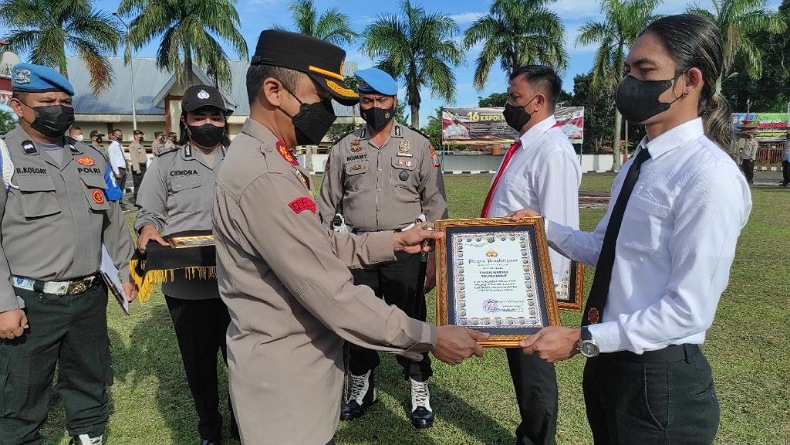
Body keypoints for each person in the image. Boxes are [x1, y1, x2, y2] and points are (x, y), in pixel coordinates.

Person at [212, 29, 487, 445]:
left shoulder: (267, 161)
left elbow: (316, 243)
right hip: (287, 389)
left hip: (301, 372)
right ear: (274, 91)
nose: (326, 110)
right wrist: (430, 337)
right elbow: (332, 293)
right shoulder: (266, 175)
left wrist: (393, 243)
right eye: (320, 98)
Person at [515, 14, 751, 444]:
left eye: (645, 71)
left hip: (658, 383)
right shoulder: (639, 162)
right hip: (610, 367)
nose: (629, 83)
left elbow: (689, 310)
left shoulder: (708, 176)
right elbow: (605, 249)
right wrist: (540, 226)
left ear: (689, 80)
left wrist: (583, 338)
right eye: (628, 71)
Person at [0, 63, 137, 445]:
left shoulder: (91, 157)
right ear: (18, 106)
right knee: (22, 394)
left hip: (87, 297)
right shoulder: (3, 156)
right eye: (46, 101)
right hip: (30, 301)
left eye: (64, 101)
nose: (57, 108)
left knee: (89, 381)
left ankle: (88, 435)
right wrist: (2, 304)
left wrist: (125, 272)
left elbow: (112, 221)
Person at [318, 67, 448, 429]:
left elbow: (435, 205)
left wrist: (435, 258)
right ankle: (362, 386)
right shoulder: (345, 147)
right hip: (357, 248)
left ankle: (419, 386)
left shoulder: (419, 146)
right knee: (357, 320)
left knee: (410, 319)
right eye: (367, 99)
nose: (374, 106)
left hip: (406, 249)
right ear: (360, 102)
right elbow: (327, 204)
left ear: (394, 102)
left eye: (381, 100)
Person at [480, 65, 581, 445]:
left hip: (532, 290)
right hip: (510, 281)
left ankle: (539, 439)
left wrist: (547, 302)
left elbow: (559, 228)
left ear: (538, 102)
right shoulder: (525, 146)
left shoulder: (553, 151)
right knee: (522, 370)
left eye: (513, 98)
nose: (508, 105)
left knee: (534, 371)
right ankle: (531, 432)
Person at [135, 85, 237, 445]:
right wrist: (147, 228)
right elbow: (149, 212)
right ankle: (210, 430)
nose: (208, 122)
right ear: (186, 121)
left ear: (225, 120)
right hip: (187, 287)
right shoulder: (165, 164)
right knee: (199, 366)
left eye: (215, 115)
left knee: (243, 363)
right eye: (200, 116)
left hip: (241, 285)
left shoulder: (243, 159)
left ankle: (245, 429)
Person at [107, 128, 128, 207]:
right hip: (118, 170)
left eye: (121, 135)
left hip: (123, 169)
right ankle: (117, 204)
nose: (120, 137)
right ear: (113, 136)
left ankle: (120, 203)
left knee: (121, 188)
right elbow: (113, 160)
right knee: (117, 188)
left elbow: (122, 158)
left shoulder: (120, 145)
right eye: (118, 135)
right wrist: (117, 172)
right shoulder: (112, 146)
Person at [128, 129, 147, 206]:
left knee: (143, 184)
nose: (141, 137)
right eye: (140, 136)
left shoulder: (140, 145)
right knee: (138, 185)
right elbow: (134, 158)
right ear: (135, 136)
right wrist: (137, 169)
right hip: (138, 167)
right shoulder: (133, 145)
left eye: (142, 136)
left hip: (143, 166)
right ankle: (137, 201)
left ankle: (142, 199)